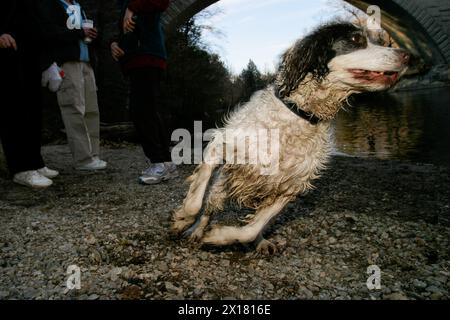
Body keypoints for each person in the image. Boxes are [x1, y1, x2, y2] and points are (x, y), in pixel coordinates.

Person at [110, 0, 178, 185]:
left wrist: (131, 7)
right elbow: (129, 27)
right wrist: (115, 42)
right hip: (138, 58)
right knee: (149, 111)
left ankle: (158, 163)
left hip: (147, 56)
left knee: (142, 111)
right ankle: (166, 163)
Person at [38, 0, 107, 171]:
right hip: (67, 63)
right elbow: (49, 33)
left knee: (92, 110)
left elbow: (89, 36)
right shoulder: (52, 5)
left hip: (87, 63)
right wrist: (78, 32)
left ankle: (94, 155)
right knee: (74, 110)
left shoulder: (79, 6)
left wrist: (94, 35)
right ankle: (83, 159)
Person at [0, 0, 59, 188]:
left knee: (33, 107)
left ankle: (35, 161)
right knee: (14, 108)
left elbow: (36, 17)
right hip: (8, 48)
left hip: (30, 49)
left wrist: (48, 59)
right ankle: (21, 167)